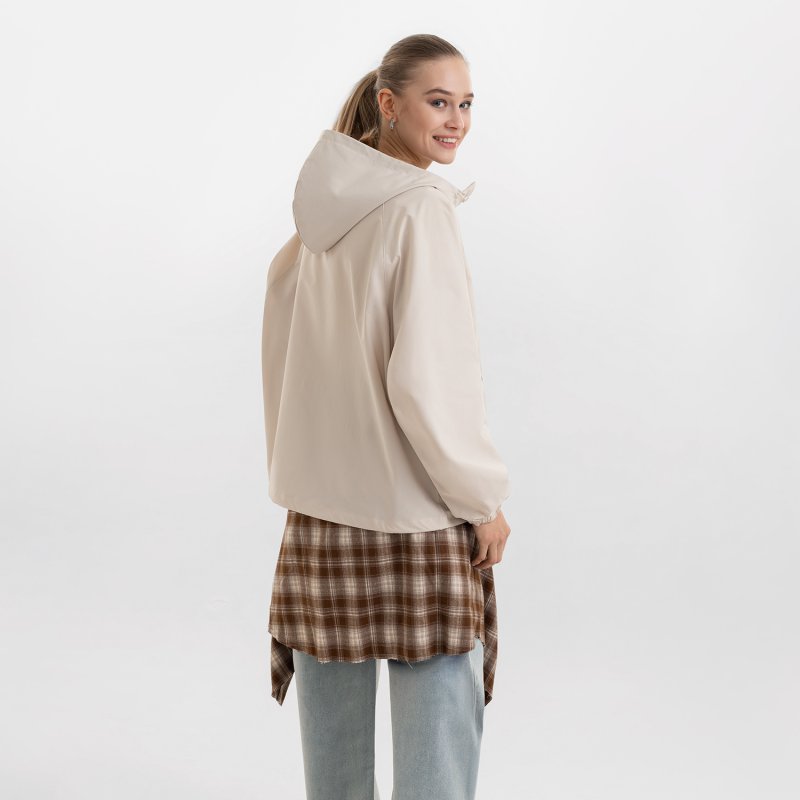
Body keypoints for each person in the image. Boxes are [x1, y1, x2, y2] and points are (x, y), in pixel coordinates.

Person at [261, 33, 512, 800]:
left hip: (320, 514)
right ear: (389, 104)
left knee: (332, 753)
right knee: (437, 736)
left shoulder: (318, 220)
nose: (456, 120)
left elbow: (284, 355)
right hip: (414, 512)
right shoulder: (419, 210)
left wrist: (298, 470)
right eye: (439, 101)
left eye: (465, 104)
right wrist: (482, 500)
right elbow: (430, 380)